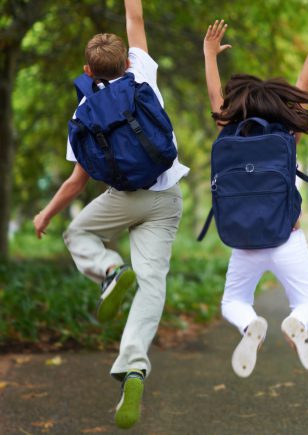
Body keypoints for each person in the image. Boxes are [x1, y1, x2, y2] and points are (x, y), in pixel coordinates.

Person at [32, 0, 189, 428]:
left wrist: (45, 214)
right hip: (165, 196)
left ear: (87, 70)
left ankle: (110, 271)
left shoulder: (84, 112)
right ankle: (134, 366)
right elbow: (134, 17)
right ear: (126, 60)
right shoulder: (143, 76)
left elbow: (76, 183)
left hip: (120, 198)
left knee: (78, 234)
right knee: (153, 284)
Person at [202, 0, 308, 378]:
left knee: (233, 300)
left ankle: (250, 325)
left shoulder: (227, 133)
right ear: (280, 107)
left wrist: (209, 55)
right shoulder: (285, 136)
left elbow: (216, 101)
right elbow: (303, 85)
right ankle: (297, 323)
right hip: (286, 237)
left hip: (243, 242)